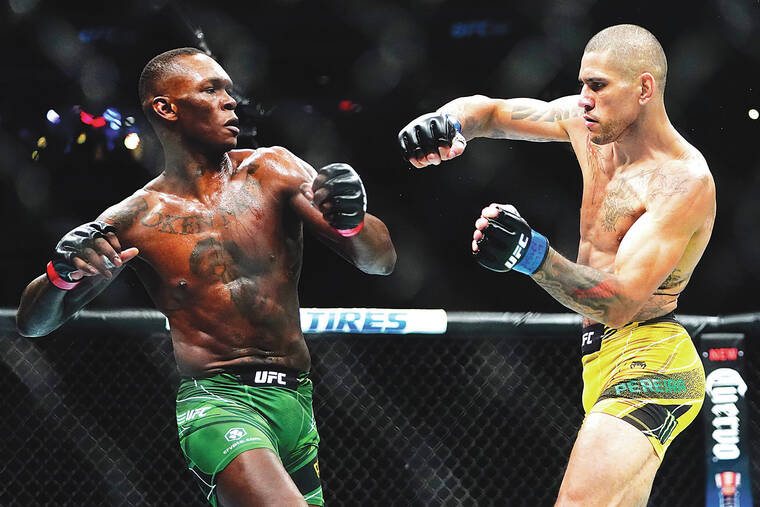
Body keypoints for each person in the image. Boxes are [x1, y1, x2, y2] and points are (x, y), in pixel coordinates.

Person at [17, 47, 396, 507]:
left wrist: (352, 220)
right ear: (166, 108)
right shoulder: (136, 217)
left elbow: (380, 261)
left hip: (297, 400)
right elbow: (33, 324)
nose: (230, 100)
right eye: (211, 89)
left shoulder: (274, 170)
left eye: (229, 90)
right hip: (218, 405)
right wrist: (61, 274)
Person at [398, 24, 714, 506]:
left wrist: (531, 254)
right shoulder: (588, 127)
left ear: (644, 88)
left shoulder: (682, 181)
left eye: (598, 86)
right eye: (583, 83)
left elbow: (621, 303)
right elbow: (491, 112)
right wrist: (446, 122)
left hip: (651, 362)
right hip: (599, 360)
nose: (584, 98)